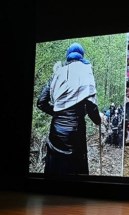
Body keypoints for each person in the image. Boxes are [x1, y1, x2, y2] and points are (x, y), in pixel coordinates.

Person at [37, 42, 101, 175]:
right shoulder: (86, 71)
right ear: (81, 56)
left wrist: (57, 113)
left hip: (55, 130)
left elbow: (41, 103)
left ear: (68, 57)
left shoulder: (58, 73)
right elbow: (91, 105)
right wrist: (98, 120)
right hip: (75, 131)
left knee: (54, 168)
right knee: (75, 172)